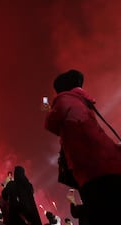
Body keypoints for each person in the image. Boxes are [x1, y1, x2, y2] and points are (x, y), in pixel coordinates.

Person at [44, 69, 121, 225]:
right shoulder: (82, 101)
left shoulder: (64, 99)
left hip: (93, 171)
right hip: (110, 166)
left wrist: (46, 106)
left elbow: (50, 123)